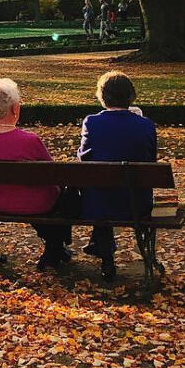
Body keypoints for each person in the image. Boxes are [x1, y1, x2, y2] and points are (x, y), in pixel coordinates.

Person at [0, 77, 77, 271]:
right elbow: (54, 173)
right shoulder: (30, 140)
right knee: (65, 195)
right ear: (15, 109)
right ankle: (55, 247)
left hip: (1, 202)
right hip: (39, 204)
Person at [79, 71, 157, 283]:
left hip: (98, 204)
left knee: (100, 193)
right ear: (131, 97)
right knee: (107, 191)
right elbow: (150, 160)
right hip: (136, 204)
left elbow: (84, 158)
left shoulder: (91, 123)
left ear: (102, 97)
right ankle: (107, 250)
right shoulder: (146, 125)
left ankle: (106, 258)